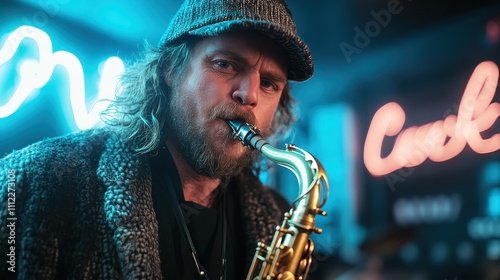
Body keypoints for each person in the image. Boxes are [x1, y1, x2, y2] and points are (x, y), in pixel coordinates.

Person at [0, 0, 314, 278]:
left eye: (270, 83)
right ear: (170, 69)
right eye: (225, 64)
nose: (249, 95)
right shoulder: (39, 178)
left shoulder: (276, 214)